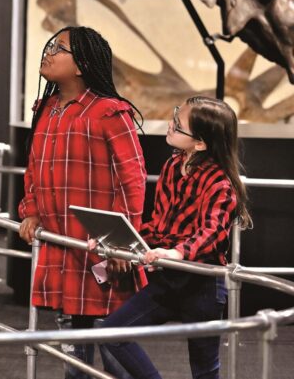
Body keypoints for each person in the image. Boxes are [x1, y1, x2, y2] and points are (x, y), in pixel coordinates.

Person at [17, 26, 147, 379]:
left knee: (114, 348)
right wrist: (30, 211)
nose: (48, 52)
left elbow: (132, 180)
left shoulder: (110, 112)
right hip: (62, 249)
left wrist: (120, 244)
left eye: (58, 48)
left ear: (81, 65)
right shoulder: (45, 109)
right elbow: (33, 169)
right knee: (73, 353)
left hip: (102, 253)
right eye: (49, 46)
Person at [96, 96, 251, 379]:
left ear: (200, 143)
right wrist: (117, 240)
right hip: (168, 278)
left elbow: (212, 231)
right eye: (175, 115)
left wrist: (178, 252)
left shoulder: (220, 183)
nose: (170, 124)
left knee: (204, 369)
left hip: (202, 284)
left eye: (178, 125)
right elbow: (159, 225)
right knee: (111, 333)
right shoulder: (172, 167)